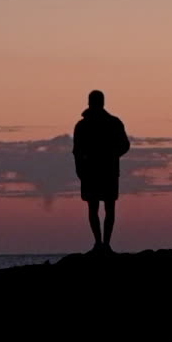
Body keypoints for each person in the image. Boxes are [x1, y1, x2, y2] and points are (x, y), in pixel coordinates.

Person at [73, 90, 130, 253]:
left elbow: (124, 145)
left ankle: (104, 244)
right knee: (96, 207)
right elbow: (76, 150)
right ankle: (100, 243)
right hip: (93, 171)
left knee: (106, 207)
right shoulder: (83, 125)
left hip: (106, 170)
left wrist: (111, 155)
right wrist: (79, 168)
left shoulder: (113, 123)